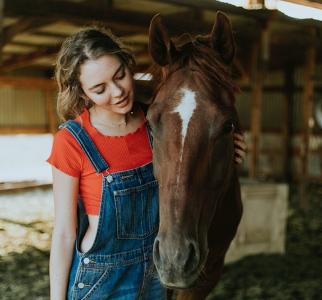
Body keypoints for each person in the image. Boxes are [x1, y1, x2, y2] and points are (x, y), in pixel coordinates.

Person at [47, 26, 247, 300]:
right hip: (99, 282)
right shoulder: (71, 142)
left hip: (154, 279)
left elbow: (193, 149)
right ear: (83, 94)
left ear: (130, 66)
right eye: (100, 88)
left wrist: (226, 147)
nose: (117, 92)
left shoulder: (158, 124)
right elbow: (63, 234)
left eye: (120, 75)